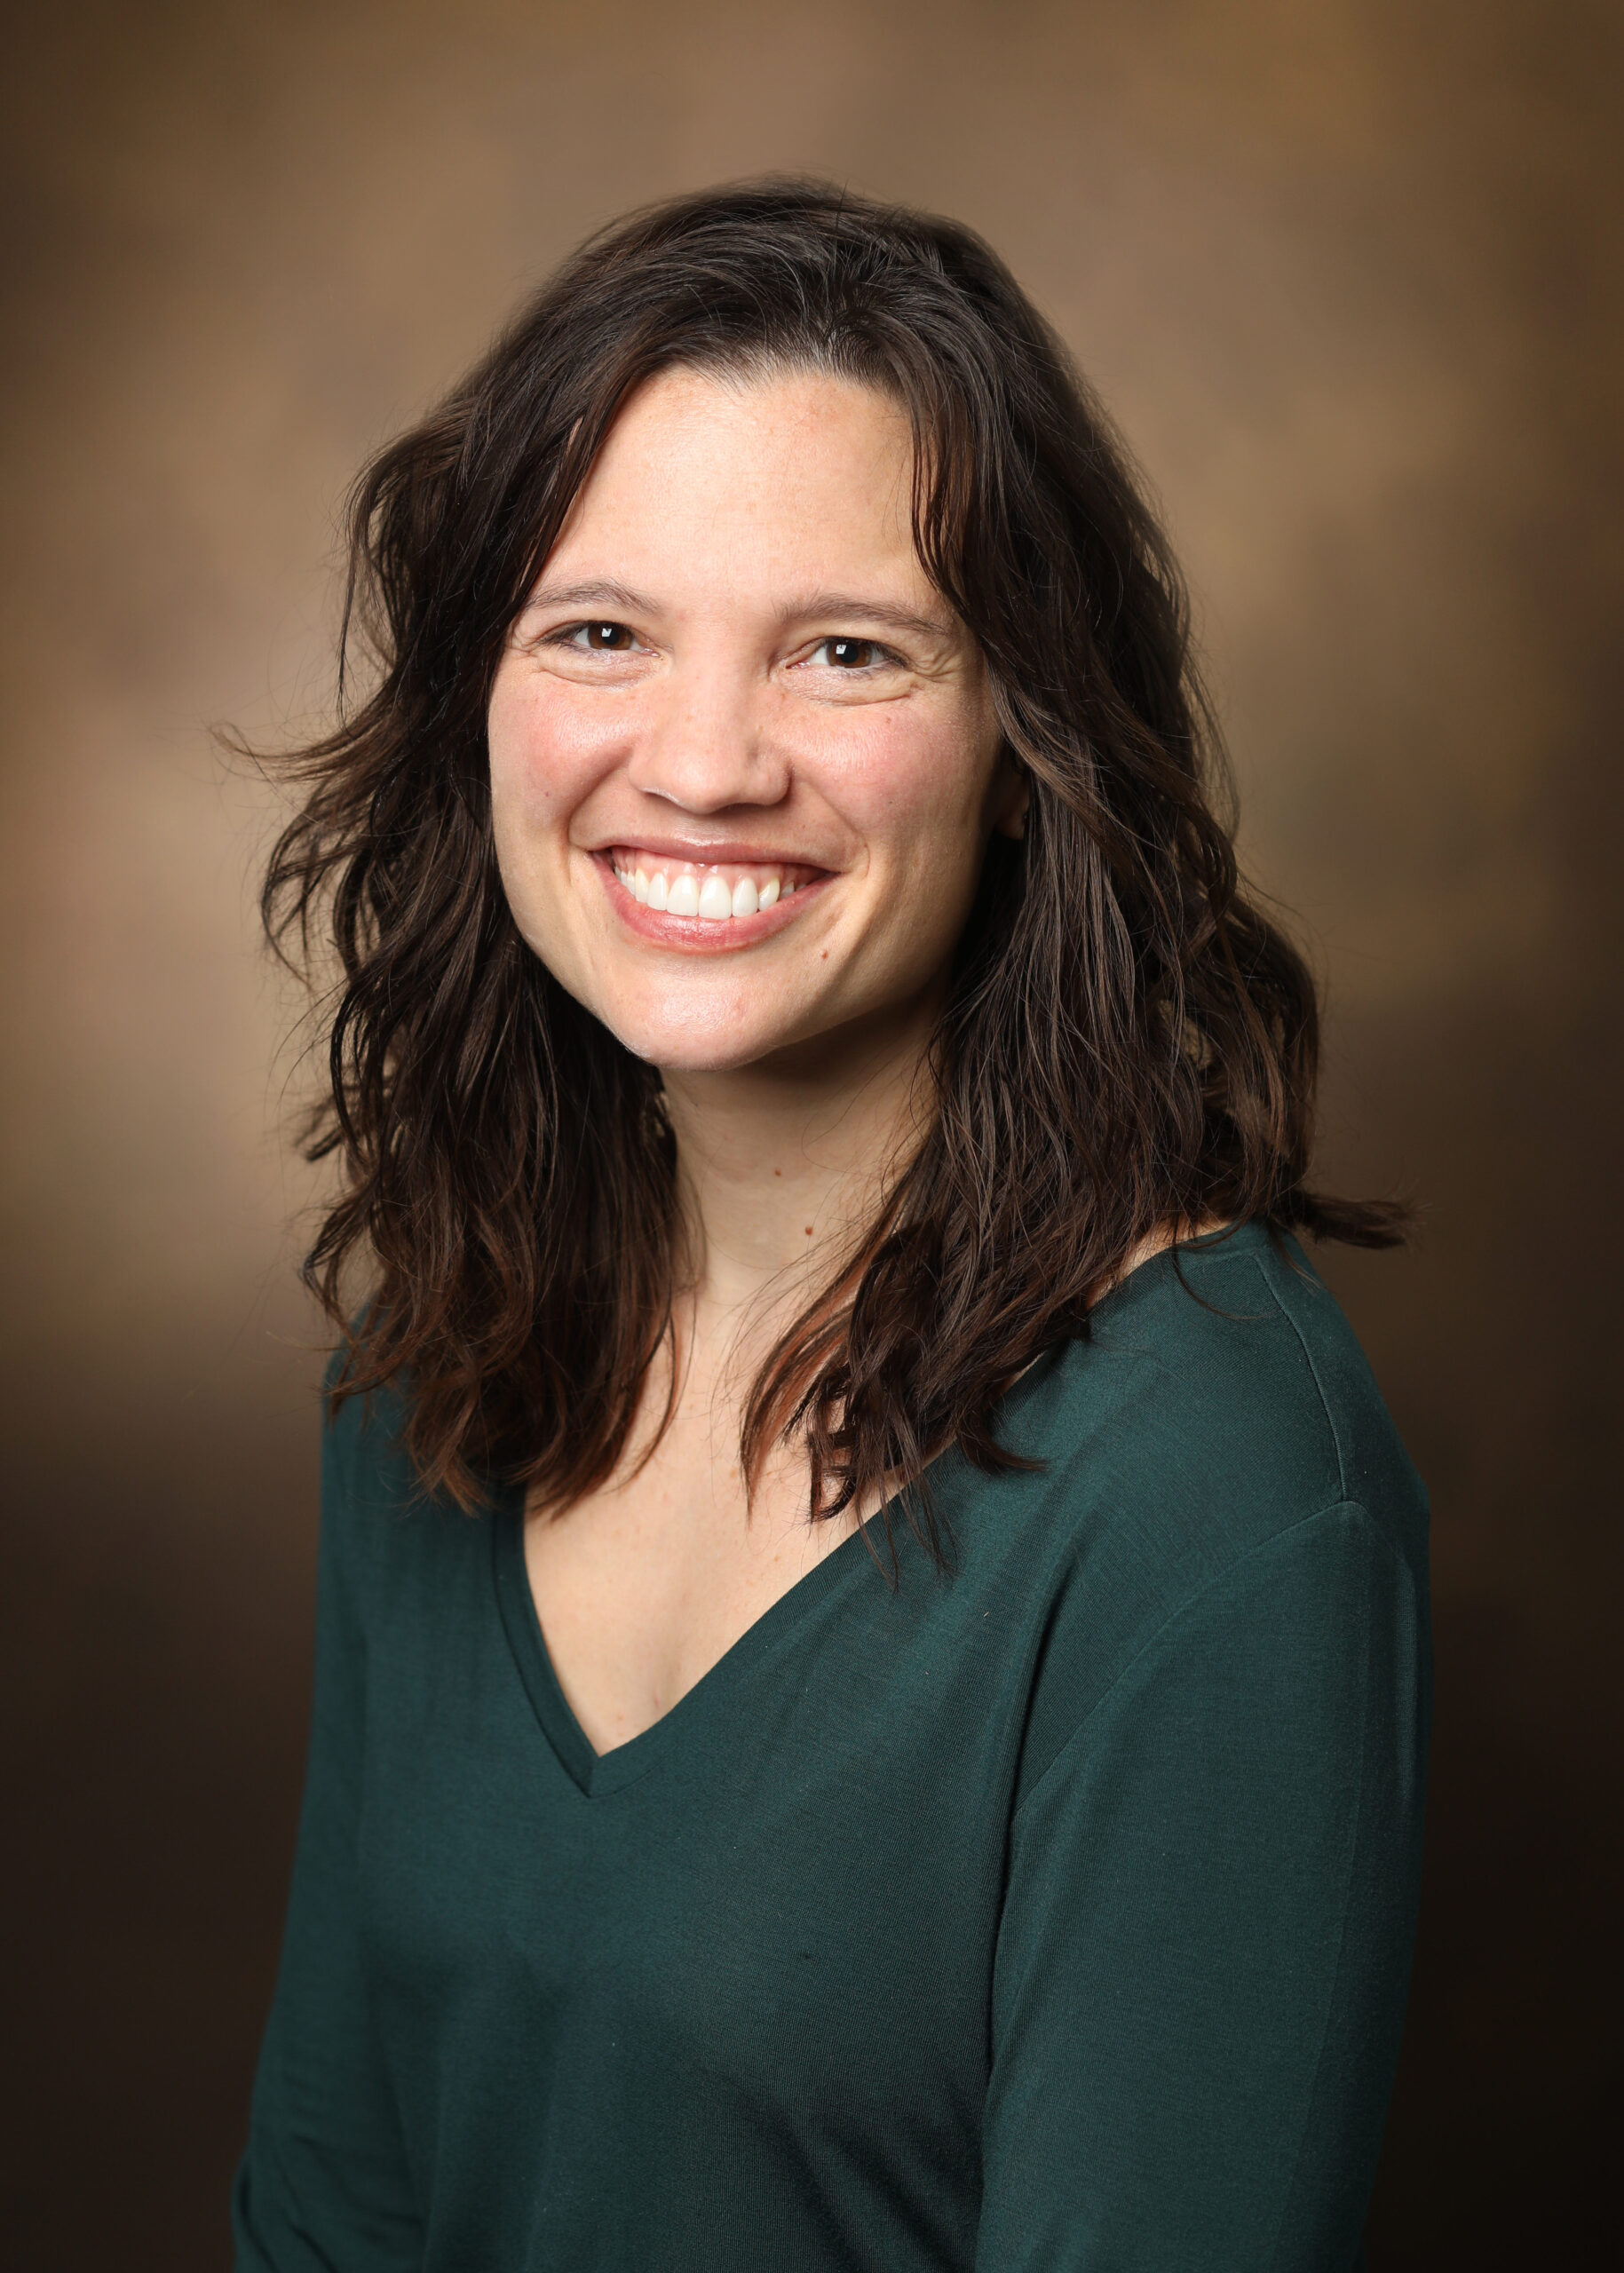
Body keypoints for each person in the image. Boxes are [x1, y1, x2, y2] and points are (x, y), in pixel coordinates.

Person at [233, 180, 1430, 2272]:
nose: (700, 763)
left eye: (847, 650)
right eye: (599, 632)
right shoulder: (430, 1366)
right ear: (479, 705)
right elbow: (333, 2213)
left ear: (1024, 750)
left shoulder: (1226, 1496)